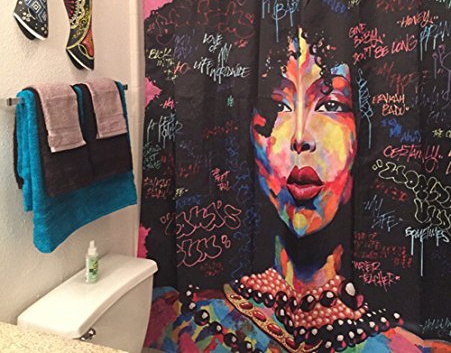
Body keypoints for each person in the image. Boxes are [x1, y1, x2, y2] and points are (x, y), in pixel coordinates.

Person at [147, 25, 450, 353]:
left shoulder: (406, 347)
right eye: (278, 105)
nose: (301, 137)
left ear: (365, 133)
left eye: (331, 104)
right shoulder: (179, 325)